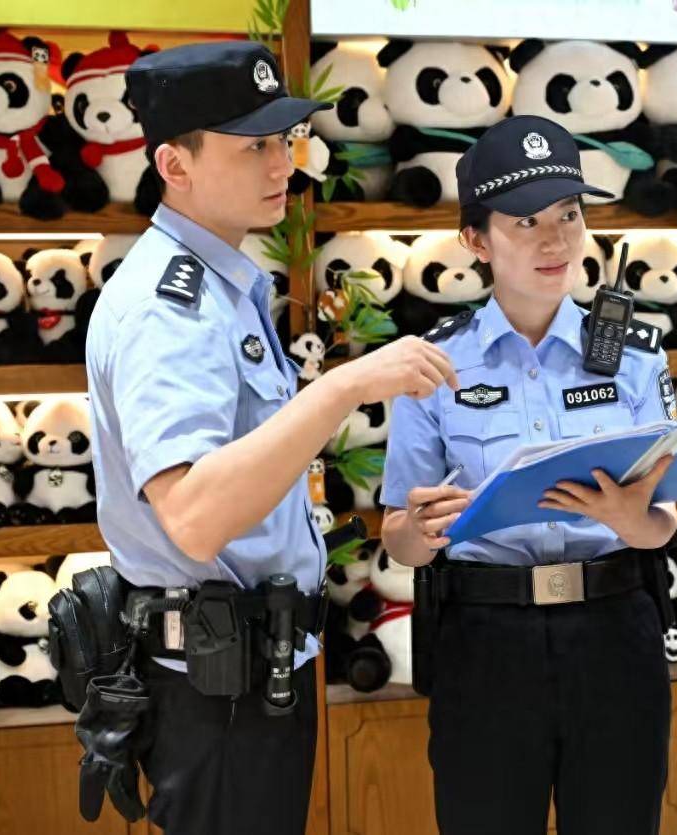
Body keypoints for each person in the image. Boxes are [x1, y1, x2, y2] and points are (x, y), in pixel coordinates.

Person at [84, 41, 457, 835]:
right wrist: (343, 387)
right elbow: (192, 513)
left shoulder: (221, 284)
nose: (280, 163)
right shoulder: (168, 307)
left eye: (282, 141)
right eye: (251, 146)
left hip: (248, 666)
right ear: (173, 165)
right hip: (215, 682)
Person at [380, 114, 677, 835]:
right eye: (525, 221)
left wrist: (634, 520)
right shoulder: (431, 363)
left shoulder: (635, 353)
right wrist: (420, 531)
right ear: (476, 239)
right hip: (485, 639)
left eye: (569, 216)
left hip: (615, 631)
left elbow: (663, 521)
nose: (556, 240)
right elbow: (396, 532)